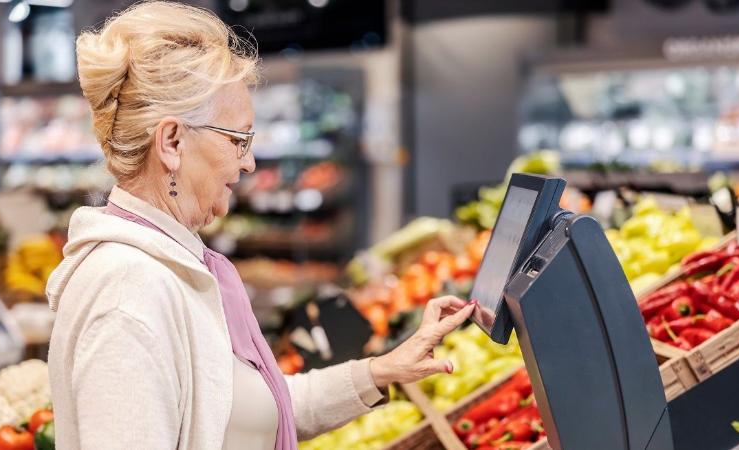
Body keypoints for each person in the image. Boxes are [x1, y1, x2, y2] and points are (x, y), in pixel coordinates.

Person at [45, 2, 476, 449]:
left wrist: (380, 370)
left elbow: (246, 409)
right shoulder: (129, 291)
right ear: (172, 142)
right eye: (238, 139)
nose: (248, 161)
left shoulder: (168, 267)